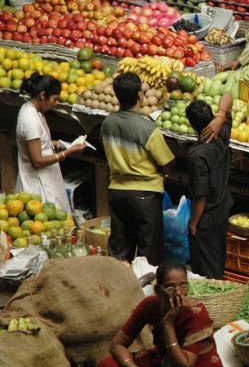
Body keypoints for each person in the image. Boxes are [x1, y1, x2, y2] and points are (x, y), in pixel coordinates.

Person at [96, 261, 226, 367]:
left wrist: (168, 324)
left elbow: (183, 366)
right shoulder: (150, 305)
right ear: (158, 289)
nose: (178, 293)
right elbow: (117, 344)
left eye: (183, 286)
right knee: (107, 366)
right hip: (162, 364)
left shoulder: (196, 314)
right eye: (170, 287)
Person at [101, 72, 175, 265]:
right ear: (139, 96)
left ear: (117, 96)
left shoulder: (107, 123)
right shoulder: (147, 129)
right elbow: (167, 162)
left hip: (117, 191)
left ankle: (116, 289)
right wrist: (165, 172)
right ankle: (145, 292)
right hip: (145, 194)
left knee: (119, 249)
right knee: (148, 254)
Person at [15, 73, 85, 211]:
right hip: (37, 185)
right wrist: (67, 152)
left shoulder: (33, 111)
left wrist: (58, 144)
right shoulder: (31, 120)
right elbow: (37, 160)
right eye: (54, 99)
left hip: (44, 178)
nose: (56, 103)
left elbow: (38, 142)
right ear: (42, 95)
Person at [185, 100, 233, 279]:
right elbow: (228, 95)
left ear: (191, 124)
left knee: (206, 269)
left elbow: (200, 196)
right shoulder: (222, 133)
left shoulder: (198, 156)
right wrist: (221, 116)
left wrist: (193, 223)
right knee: (218, 259)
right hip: (222, 210)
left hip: (207, 218)